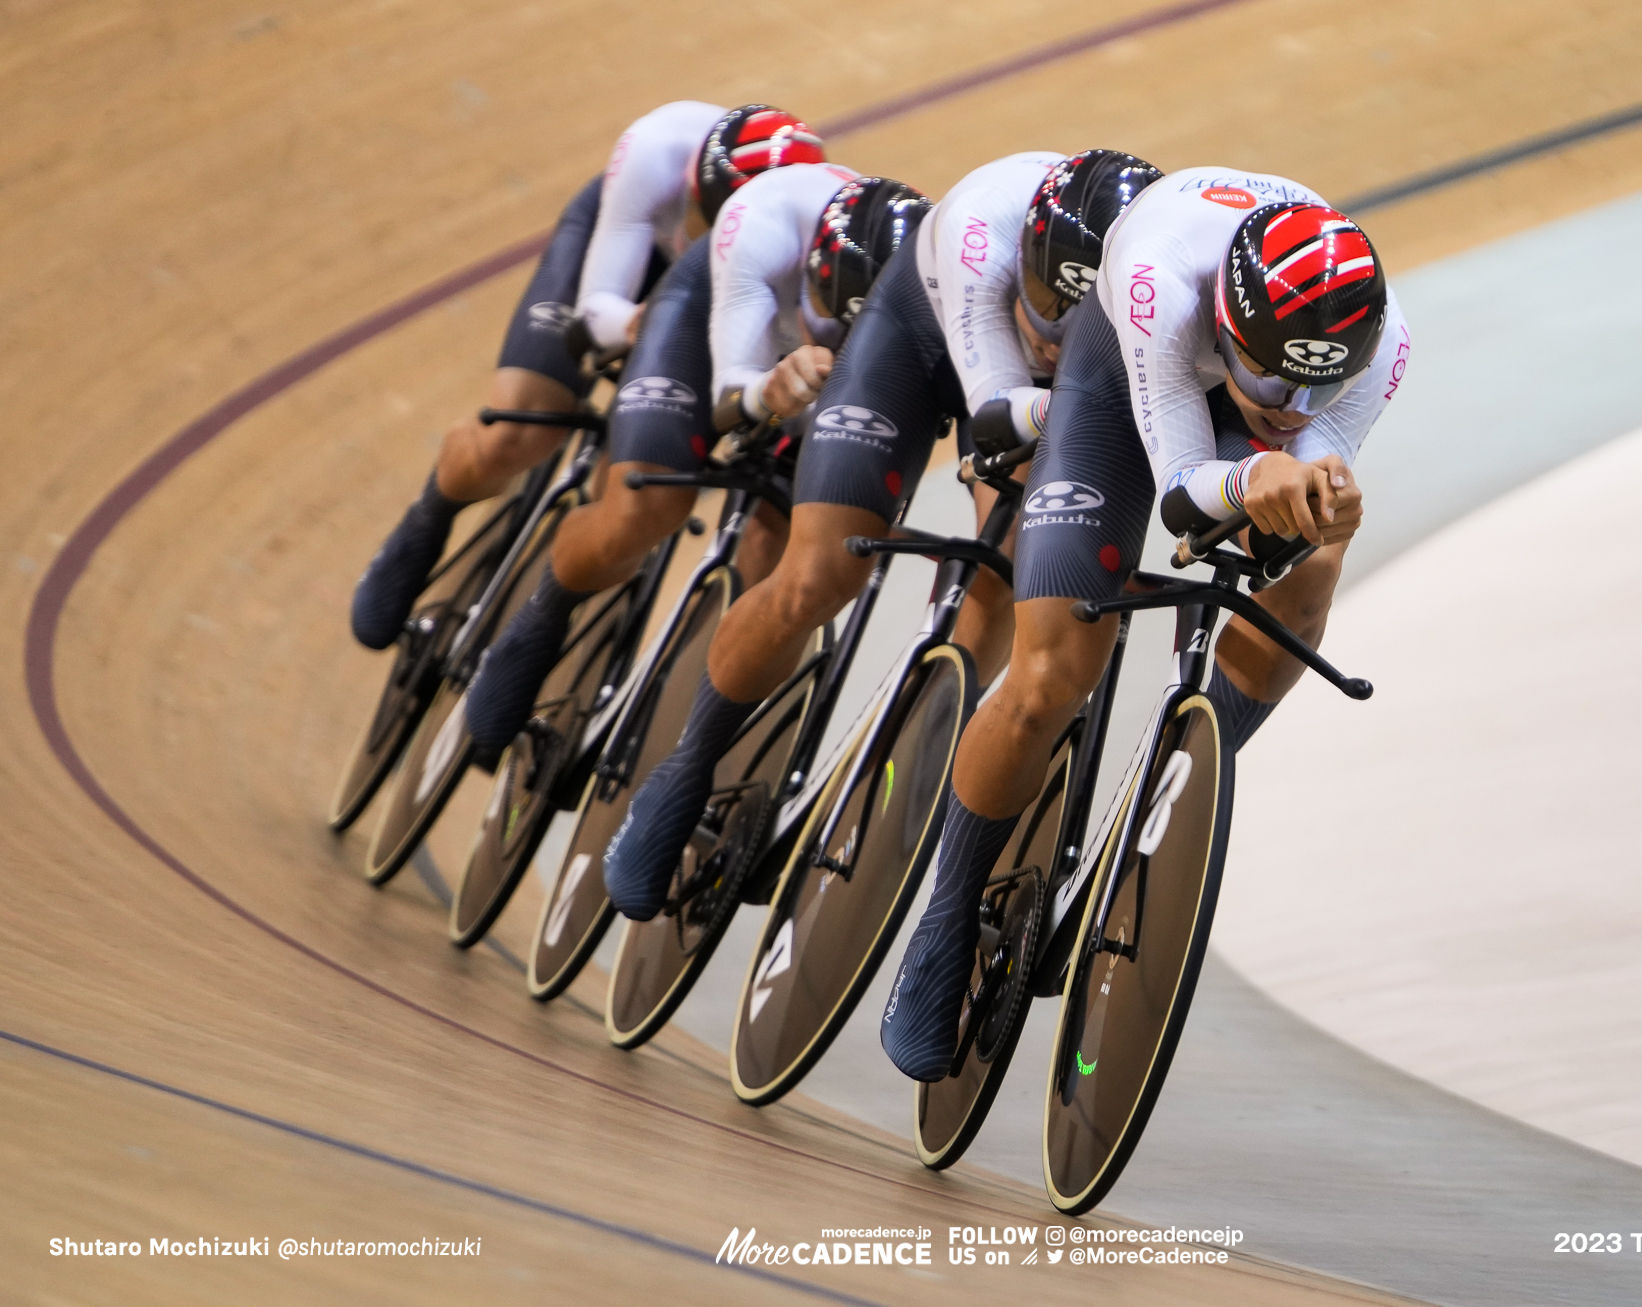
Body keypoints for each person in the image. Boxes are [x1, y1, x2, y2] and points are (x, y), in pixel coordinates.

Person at [880, 169, 1414, 1080]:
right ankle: (946, 915)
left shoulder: (1379, 338)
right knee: (1051, 673)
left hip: (1227, 396)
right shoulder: (1161, 280)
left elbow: (1308, 461)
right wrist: (1255, 477)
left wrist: (1317, 488)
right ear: (1229, 324)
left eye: (1311, 390)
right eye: (1266, 373)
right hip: (1118, 387)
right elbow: (1180, 491)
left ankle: (1187, 772)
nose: (1286, 404)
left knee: (1316, 555)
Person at [598, 149, 1162, 924]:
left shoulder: (1150, 288)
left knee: (1012, 572)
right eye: (1048, 302)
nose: (1060, 335)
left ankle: (927, 732)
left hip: (1046, 396)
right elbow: (995, 410)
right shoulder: (978, 228)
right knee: (819, 575)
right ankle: (686, 769)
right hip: (929, 340)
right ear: (1026, 252)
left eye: (1083, 316)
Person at [461, 166, 935, 760]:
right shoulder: (765, 225)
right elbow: (728, 395)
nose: (827, 327)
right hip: (711, 323)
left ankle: (702, 737)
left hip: (824, 383)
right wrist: (769, 395)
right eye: (822, 307)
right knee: (646, 506)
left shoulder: (930, 298)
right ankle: (541, 616)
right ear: (810, 265)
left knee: (794, 548)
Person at [347, 102, 825, 650]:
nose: (715, 246)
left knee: (634, 510)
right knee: (517, 433)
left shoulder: (804, 247)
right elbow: (594, 316)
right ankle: (429, 517)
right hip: (632, 266)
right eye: (707, 221)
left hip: (727, 308)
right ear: (692, 183)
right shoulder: (657, 150)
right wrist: (641, 322)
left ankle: (559, 626)